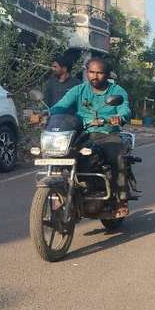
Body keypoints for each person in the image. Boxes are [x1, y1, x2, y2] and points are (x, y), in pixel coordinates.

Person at [50, 57, 132, 217]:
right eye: (91, 72)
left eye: (99, 73)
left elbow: (125, 109)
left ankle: (121, 199)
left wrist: (119, 117)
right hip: (82, 133)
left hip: (107, 133)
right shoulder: (79, 90)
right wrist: (44, 114)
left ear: (107, 75)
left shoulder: (117, 91)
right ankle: (62, 189)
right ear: (87, 72)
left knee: (118, 157)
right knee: (61, 153)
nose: (94, 76)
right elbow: (61, 106)